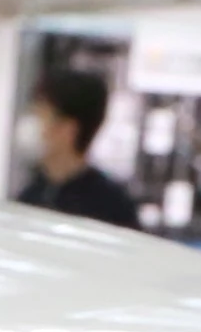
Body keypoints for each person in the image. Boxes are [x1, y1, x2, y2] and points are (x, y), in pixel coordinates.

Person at [18, 67, 144, 230]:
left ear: (68, 129)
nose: (31, 125)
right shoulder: (31, 195)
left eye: (40, 115)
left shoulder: (111, 207)